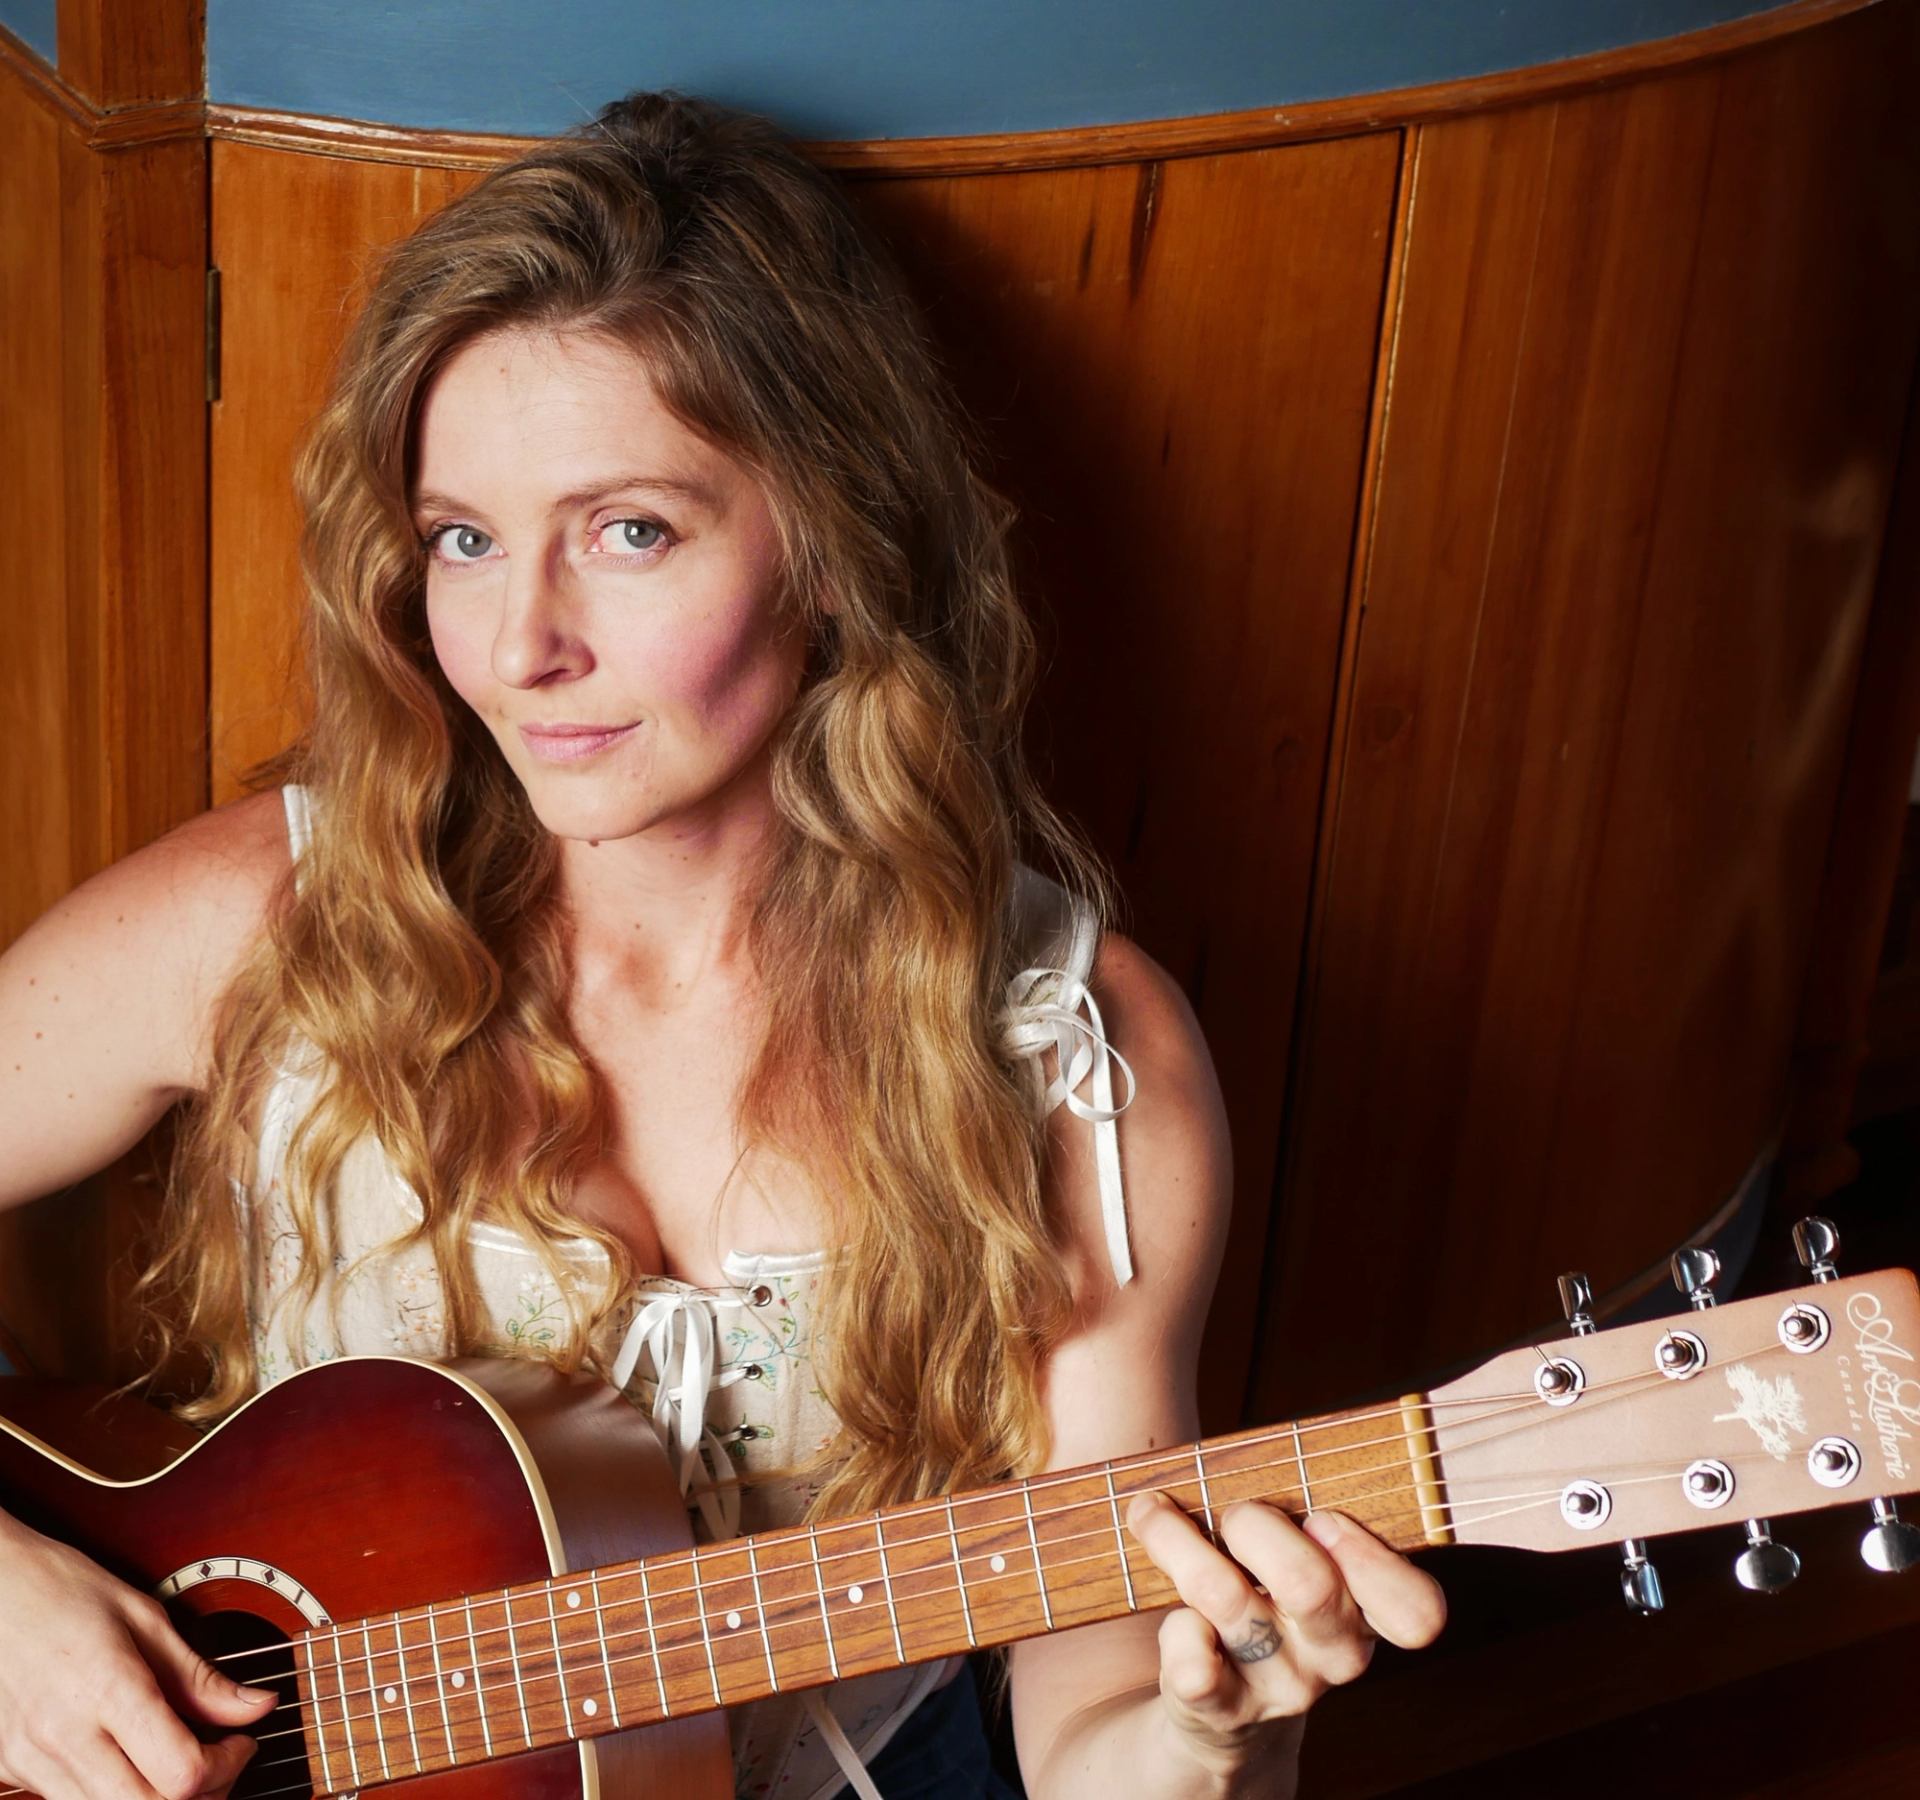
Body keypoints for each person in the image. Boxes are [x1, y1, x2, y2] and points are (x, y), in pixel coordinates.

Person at [0, 90, 1444, 1800]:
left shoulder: (1070, 1067)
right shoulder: (279, 917)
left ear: (833, 545)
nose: (520, 643)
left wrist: (1221, 1727)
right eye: (464, 540)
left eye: (629, 532)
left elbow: (1095, 1729)